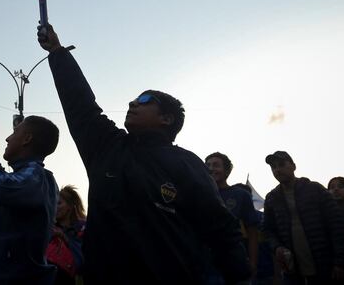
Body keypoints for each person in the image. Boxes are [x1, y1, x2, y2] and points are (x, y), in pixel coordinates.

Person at [37, 23, 249, 284]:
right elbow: (80, 104)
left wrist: (239, 277)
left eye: (145, 100)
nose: (133, 103)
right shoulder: (106, 147)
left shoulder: (188, 164)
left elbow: (221, 229)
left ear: (167, 119)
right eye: (134, 99)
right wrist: (57, 52)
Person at [0, 116, 59, 284]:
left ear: (27, 139)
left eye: (14, 132)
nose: (7, 138)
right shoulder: (31, 178)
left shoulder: (35, 177)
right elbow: (7, 181)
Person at [262, 151, 344, 284]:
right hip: (293, 270)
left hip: (324, 264)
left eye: (281, 164)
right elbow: (267, 229)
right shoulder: (272, 198)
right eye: (273, 167)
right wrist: (277, 247)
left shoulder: (315, 189)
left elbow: (336, 225)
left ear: (293, 166)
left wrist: (339, 261)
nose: (277, 170)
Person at [206, 152, 260, 280]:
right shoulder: (201, 195)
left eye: (216, 165)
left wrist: (252, 263)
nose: (211, 168)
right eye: (207, 165)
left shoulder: (241, 195)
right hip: (207, 266)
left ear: (226, 171)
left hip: (236, 263)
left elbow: (252, 232)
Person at [47, 185, 86, 285]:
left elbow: (84, 258)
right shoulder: (50, 228)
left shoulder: (83, 228)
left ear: (70, 206)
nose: (55, 207)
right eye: (53, 203)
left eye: (59, 203)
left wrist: (64, 237)